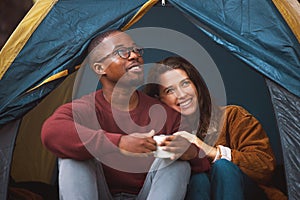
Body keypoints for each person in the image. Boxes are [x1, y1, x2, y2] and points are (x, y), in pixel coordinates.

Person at [41, 30, 210, 200]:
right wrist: (120, 143)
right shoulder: (86, 108)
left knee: (177, 164)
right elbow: (51, 132)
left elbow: (202, 161)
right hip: (100, 193)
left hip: (147, 194)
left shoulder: (166, 114)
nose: (134, 56)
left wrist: (188, 152)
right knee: (71, 156)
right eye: (122, 52)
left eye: (136, 50)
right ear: (100, 68)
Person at [144, 56, 287, 200]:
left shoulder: (232, 116)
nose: (182, 95)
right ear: (158, 99)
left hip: (249, 194)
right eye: (170, 90)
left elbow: (265, 167)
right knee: (198, 179)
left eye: (185, 83)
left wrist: (207, 150)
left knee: (223, 167)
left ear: (196, 85)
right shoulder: (161, 136)